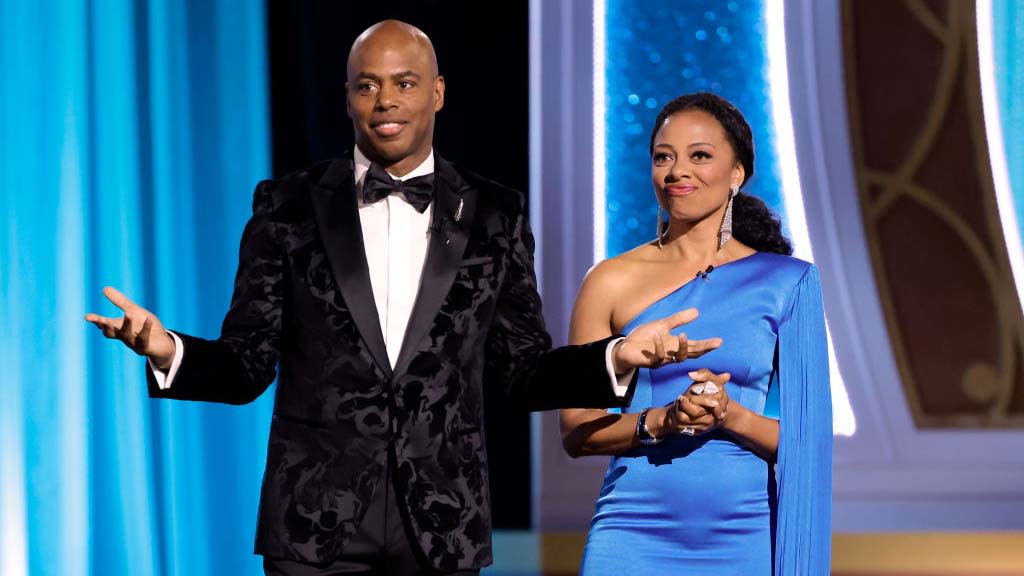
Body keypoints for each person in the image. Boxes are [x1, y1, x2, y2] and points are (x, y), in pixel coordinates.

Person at [85, 21, 720, 576]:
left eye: (406, 82)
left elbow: (523, 372)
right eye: (367, 84)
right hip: (312, 525)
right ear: (348, 98)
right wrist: (166, 348)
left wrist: (617, 356)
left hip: (443, 524)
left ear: (438, 92)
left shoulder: (496, 214)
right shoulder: (285, 206)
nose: (386, 100)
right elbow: (247, 363)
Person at [560, 92, 832, 574]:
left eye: (699, 155)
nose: (677, 171)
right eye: (663, 157)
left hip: (747, 536)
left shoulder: (789, 282)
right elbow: (578, 430)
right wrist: (661, 421)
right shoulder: (608, 281)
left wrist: (728, 415)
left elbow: (809, 444)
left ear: (736, 174)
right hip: (631, 533)